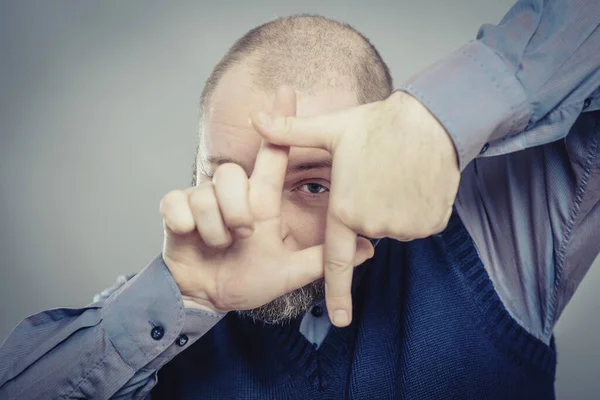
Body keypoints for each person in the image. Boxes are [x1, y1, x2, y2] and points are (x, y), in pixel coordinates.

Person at [1, 1, 600, 398]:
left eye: (313, 185)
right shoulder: (161, 315)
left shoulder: (504, 247)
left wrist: (438, 120)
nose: (264, 224)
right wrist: (189, 294)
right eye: (227, 175)